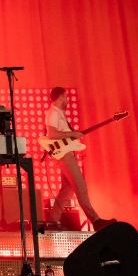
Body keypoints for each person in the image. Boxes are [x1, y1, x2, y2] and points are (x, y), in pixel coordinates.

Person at [44, 87, 116, 232]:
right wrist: (72, 134)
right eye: (65, 97)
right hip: (64, 155)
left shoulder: (60, 114)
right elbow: (52, 134)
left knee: (67, 189)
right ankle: (96, 221)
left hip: (66, 153)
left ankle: (52, 221)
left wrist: (72, 135)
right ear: (60, 97)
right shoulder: (53, 113)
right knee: (80, 186)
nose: (67, 99)